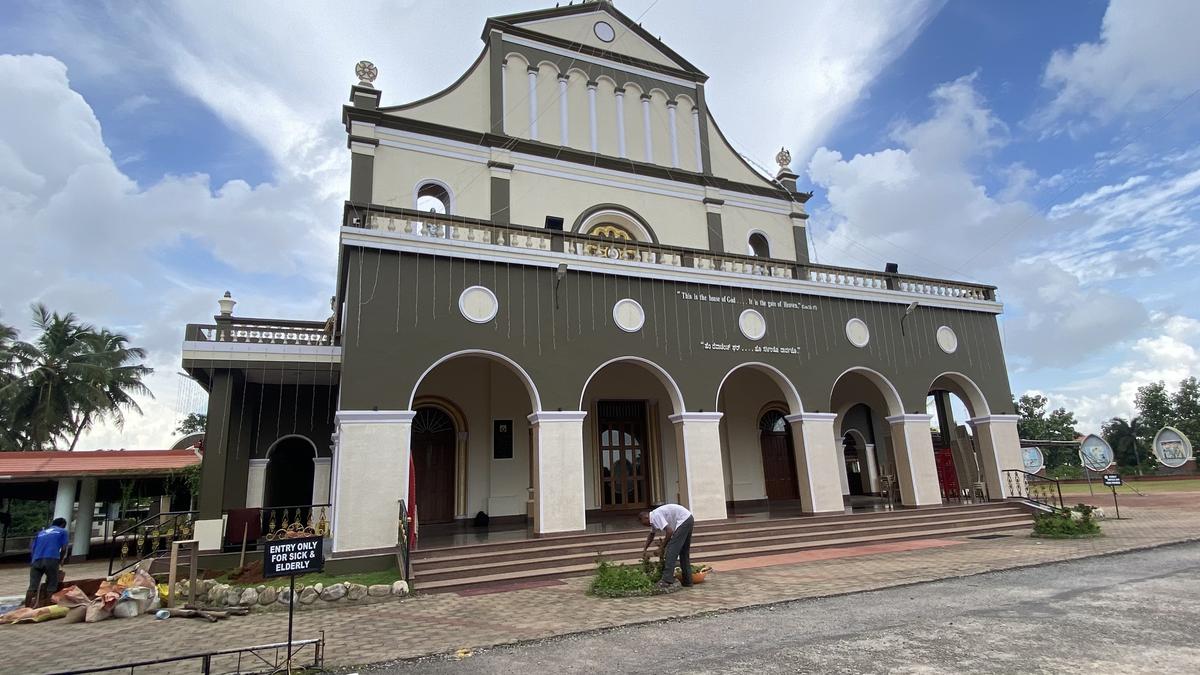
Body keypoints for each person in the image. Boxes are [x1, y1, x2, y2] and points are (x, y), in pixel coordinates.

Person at [639, 503, 694, 590]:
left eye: (644, 524)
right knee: (683, 552)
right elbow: (651, 534)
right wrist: (645, 549)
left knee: (671, 551)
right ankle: (688, 581)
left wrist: (662, 548)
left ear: (646, 517)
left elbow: (669, 531)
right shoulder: (653, 518)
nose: (646, 526)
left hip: (684, 520)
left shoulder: (655, 516)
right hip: (688, 518)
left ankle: (666, 580)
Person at [27, 517, 69, 606]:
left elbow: (32, 548)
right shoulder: (62, 531)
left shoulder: (41, 533)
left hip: (36, 560)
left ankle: (26, 608)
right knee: (52, 584)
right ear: (63, 525)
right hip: (51, 559)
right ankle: (48, 606)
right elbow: (64, 548)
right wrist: (61, 559)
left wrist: (33, 560)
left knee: (32, 587)